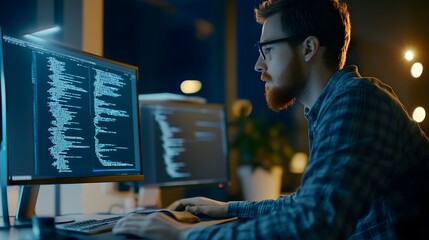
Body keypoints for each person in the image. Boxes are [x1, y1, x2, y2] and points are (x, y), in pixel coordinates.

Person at [113, 0, 429, 239]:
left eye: (268, 49)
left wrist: (181, 234)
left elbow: (313, 223)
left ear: (308, 47)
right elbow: (308, 204)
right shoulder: (334, 104)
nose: (257, 65)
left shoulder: (355, 101)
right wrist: (228, 208)